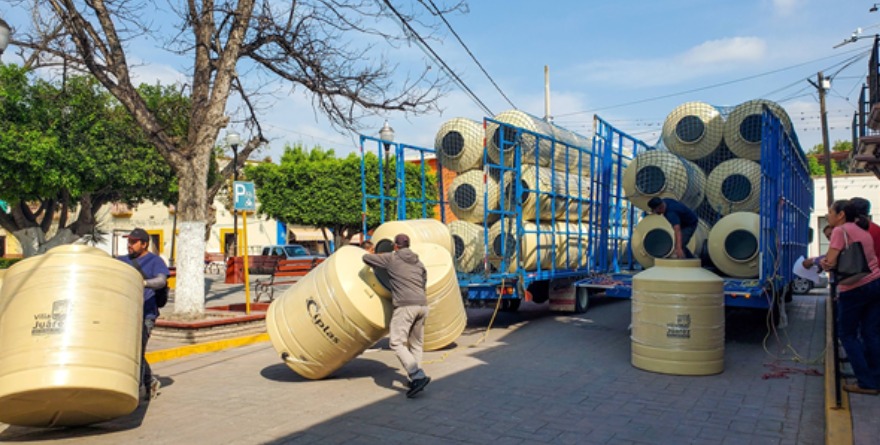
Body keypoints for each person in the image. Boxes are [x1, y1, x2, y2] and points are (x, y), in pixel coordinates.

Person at [819, 200, 880, 395]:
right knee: (871, 333)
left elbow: (829, 261)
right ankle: (875, 378)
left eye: (830, 212)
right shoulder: (863, 230)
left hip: (855, 287)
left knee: (847, 334)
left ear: (841, 214)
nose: (828, 215)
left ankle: (865, 381)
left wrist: (826, 263)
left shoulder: (840, 231)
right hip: (875, 282)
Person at [361, 233, 431, 398]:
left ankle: (417, 375)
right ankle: (414, 379)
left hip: (406, 306)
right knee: (416, 343)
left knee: (396, 342)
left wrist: (371, 251)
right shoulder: (419, 263)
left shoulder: (392, 259)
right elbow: (424, 281)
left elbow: (366, 258)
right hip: (422, 305)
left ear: (395, 246)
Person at [117, 228, 170, 401]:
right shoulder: (121, 260)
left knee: (137, 349)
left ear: (144, 244)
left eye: (133, 242)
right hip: (124, 312)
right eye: (128, 242)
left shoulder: (155, 261)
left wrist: (143, 282)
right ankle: (150, 381)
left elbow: (161, 280)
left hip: (146, 314)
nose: (129, 245)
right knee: (131, 351)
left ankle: (136, 390)